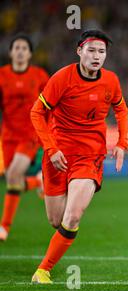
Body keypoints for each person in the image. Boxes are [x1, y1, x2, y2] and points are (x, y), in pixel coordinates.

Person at [29, 29, 128, 284]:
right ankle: (38, 182)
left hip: (90, 156)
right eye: (92, 50)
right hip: (58, 156)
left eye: (102, 52)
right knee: (57, 221)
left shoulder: (111, 81)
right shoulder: (62, 78)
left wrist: (122, 143)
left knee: (73, 216)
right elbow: (37, 113)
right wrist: (51, 149)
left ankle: (43, 270)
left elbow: (121, 108)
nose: (97, 56)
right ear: (79, 51)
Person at [0, 34, 49, 241]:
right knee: (14, 181)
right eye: (16, 47)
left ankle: (4, 227)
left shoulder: (39, 76)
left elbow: (50, 104)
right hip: (8, 135)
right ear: (11, 52)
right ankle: (38, 182)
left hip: (30, 134)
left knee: (12, 175)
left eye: (24, 48)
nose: (20, 51)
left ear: (29, 54)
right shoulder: (1, 75)